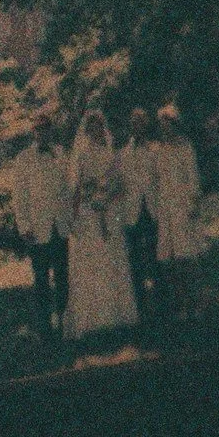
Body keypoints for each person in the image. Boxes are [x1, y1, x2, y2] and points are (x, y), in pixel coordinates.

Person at [61, 108, 139, 341]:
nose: (95, 129)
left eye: (98, 125)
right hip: (89, 213)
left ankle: (117, 316)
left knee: (112, 259)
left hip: (110, 211)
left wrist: (107, 197)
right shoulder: (82, 154)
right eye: (91, 126)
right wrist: (78, 213)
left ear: (103, 127)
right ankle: (92, 320)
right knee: (93, 261)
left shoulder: (111, 151)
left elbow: (119, 182)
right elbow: (76, 188)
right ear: (87, 129)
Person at [5, 112, 70, 339]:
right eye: (38, 129)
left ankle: (65, 321)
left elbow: (67, 190)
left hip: (60, 227)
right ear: (34, 133)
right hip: (37, 230)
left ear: (51, 131)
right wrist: (24, 227)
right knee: (41, 280)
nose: (42, 133)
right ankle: (45, 328)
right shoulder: (23, 159)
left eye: (46, 129)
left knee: (63, 277)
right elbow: (19, 197)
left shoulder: (61, 154)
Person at [147, 104, 205, 322]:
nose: (165, 129)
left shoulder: (185, 147)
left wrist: (192, 205)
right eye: (162, 125)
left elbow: (193, 178)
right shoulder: (157, 150)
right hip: (165, 209)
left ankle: (196, 303)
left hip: (183, 207)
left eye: (168, 124)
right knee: (170, 261)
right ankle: (180, 305)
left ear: (175, 125)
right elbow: (155, 181)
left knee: (188, 257)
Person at [118, 106, 159, 317]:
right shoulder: (123, 154)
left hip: (152, 211)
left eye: (141, 123)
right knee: (135, 262)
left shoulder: (156, 150)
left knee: (156, 260)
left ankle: (161, 307)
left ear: (146, 125)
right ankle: (140, 310)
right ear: (130, 127)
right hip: (131, 213)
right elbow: (119, 185)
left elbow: (161, 182)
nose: (138, 127)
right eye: (134, 123)